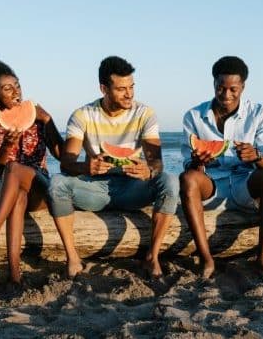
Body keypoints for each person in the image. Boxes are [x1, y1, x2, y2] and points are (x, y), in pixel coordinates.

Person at [48, 56, 179, 278]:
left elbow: (156, 161)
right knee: (57, 183)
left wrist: (149, 170)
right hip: (94, 190)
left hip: (132, 189)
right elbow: (66, 163)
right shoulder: (82, 115)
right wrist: (86, 167)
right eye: (121, 89)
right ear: (104, 89)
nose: (129, 94)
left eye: (131, 87)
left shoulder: (144, 114)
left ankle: (152, 256)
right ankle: (73, 258)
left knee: (170, 181)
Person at [0, 59, 63, 284]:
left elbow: (62, 154)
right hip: (6, 189)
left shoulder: (37, 119)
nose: (16, 91)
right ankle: (15, 275)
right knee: (17, 192)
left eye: (17, 85)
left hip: (40, 186)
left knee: (15, 170)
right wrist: (6, 147)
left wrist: (48, 120)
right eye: (8, 88)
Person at [179, 56, 263, 280]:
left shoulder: (259, 114)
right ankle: (207, 260)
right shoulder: (193, 116)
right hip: (212, 185)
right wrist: (198, 161)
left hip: (245, 184)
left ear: (243, 86)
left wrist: (256, 156)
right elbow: (189, 165)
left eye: (233, 89)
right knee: (187, 178)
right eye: (220, 88)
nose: (226, 95)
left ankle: (262, 261)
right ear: (214, 84)